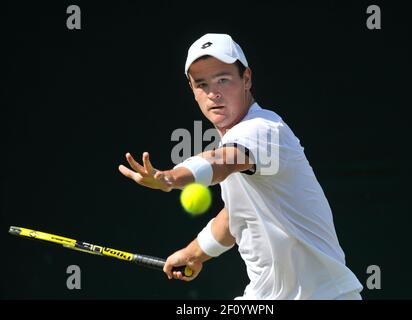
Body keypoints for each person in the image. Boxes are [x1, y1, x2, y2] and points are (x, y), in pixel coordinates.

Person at [119, 33, 363, 299]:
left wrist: (173, 177)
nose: (213, 93)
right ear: (192, 90)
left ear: (246, 79)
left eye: (223, 79)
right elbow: (236, 216)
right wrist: (194, 253)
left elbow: (221, 161)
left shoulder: (264, 129)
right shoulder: (234, 139)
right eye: (202, 84)